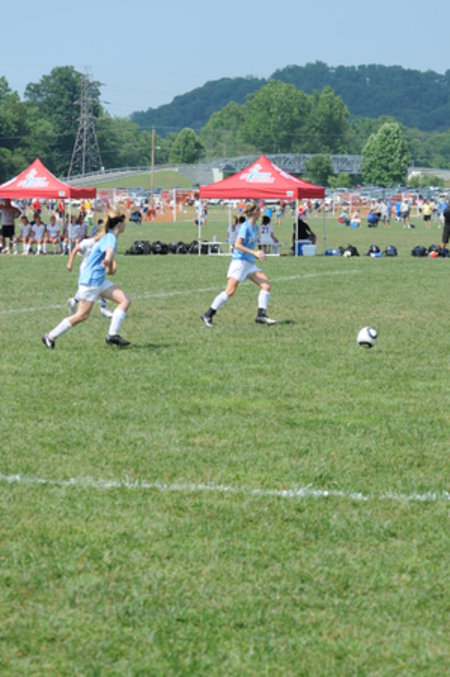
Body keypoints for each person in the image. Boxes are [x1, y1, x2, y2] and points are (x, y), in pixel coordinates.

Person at [42, 212, 131, 349]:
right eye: (124, 222)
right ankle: (50, 336)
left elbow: (109, 257)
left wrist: (109, 265)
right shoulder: (110, 237)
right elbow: (109, 251)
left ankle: (112, 335)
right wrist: (107, 260)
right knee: (82, 316)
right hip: (91, 282)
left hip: (99, 281)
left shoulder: (108, 236)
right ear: (119, 224)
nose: (125, 225)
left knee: (125, 300)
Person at [201, 202, 276, 327]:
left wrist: (258, 253)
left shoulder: (255, 227)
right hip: (239, 263)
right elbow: (237, 245)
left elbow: (250, 245)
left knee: (266, 285)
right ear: (254, 212)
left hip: (249, 263)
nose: (261, 211)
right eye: (259, 209)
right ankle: (208, 314)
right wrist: (254, 252)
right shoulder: (245, 227)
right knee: (230, 291)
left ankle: (261, 316)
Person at [66, 229, 113, 319]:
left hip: (97, 269)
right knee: (87, 290)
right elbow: (75, 249)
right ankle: (74, 301)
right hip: (85, 269)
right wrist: (70, 262)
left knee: (99, 285)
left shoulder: (105, 244)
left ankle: (103, 308)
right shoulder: (88, 242)